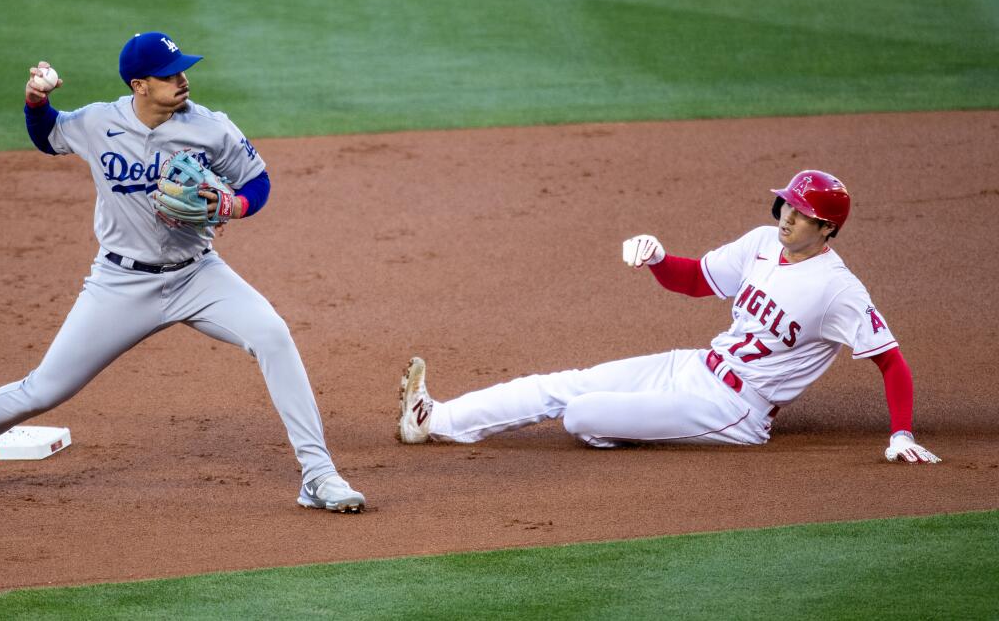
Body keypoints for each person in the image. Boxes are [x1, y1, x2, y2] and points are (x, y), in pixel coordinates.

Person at [0, 32, 366, 512]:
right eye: (169, 75)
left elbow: (257, 181)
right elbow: (48, 135)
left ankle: (319, 475)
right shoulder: (98, 122)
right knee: (43, 390)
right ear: (139, 84)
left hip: (199, 276)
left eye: (183, 71)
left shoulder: (211, 127)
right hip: (119, 284)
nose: (183, 81)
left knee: (274, 336)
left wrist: (236, 204)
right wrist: (35, 100)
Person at [397, 170, 939, 464]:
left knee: (580, 416)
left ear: (828, 230)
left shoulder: (839, 291)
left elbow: (892, 364)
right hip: (695, 366)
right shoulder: (759, 244)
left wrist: (899, 433)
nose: (789, 218)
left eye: (804, 215)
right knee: (564, 385)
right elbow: (698, 280)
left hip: (736, 410)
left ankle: (626, 426)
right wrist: (659, 259)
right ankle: (436, 421)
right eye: (788, 207)